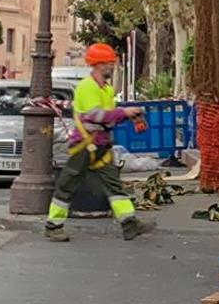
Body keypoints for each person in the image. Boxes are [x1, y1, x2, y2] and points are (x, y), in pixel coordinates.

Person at [44, 43, 148, 242]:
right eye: (110, 62)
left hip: (101, 145)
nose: (112, 66)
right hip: (85, 144)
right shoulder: (87, 86)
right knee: (68, 184)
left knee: (114, 186)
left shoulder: (106, 89)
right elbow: (95, 114)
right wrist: (124, 112)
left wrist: (130, 116)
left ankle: (129, 224)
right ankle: (53, 225)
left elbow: (109, 117)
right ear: (99, 64)